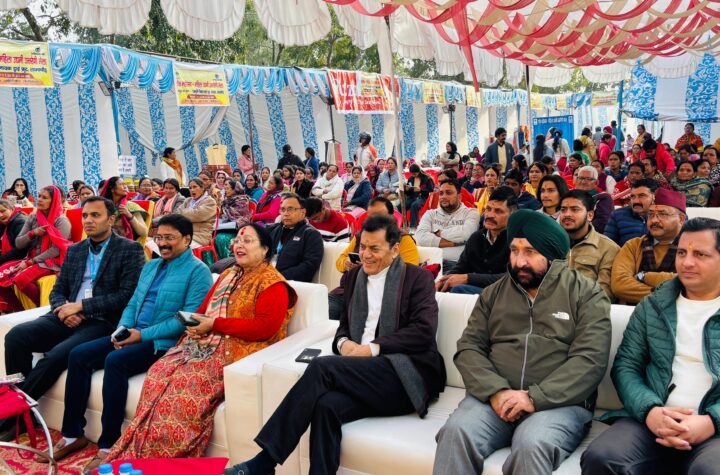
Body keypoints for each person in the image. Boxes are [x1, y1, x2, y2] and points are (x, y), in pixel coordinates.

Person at [225, 215, 445, 475]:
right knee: (326, 406)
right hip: (361, 374)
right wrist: (342, 344)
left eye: (375, 248)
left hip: (405, 375)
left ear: (395, 249)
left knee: (322, 368)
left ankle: (265, 462)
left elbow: (423, 331)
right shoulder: (353, 278)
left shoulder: (417, 278)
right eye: (362, 247)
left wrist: (371, 349)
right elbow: (343, 327)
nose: (366, 255)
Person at [434, 209, 611, 475]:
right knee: (456, 432)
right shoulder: (494, 294)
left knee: (532, 444)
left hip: (558, 404)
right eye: (514, 251)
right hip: (494, 399)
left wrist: (533, 398)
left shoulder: (586, 294)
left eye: (530, 252)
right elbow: (469, 348)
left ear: (551, 255)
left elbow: (590, 360)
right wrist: (495, 391)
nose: (519, 262)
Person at [107, 222, 298, 462]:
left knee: (184, 388)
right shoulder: (229, 274)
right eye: (237, 241)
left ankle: (169, 460)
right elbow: (202, 310)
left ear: (265, 249)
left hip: (238, 351)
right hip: (204, 343)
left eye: (247, 241)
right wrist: (194, 325)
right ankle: (139, 450)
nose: (239, 245)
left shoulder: (273, 283)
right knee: (159, 371)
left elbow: (265, 328)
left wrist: (214, 325)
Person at [46, 214, 213, 471]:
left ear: (187, 239)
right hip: (133, 332)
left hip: (162, 342)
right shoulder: (151, 265)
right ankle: (72, 434)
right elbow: (133, 302)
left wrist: (141, 336)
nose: (163, 243)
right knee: (78, 355)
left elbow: (185, 319)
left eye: (169, 238)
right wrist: (122, 330)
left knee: (115, 361)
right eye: (159, 237)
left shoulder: (198, 271)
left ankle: (108, 445)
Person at [582, 217, 720, 475]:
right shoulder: (653, 305)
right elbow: (626, 366)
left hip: (713, 429)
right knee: (603, 457)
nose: (687, 262)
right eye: (682, 252)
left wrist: (712, 421)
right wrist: (650, 411)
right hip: (653, 418)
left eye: (700, 254)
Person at [1, 197, 145, 440]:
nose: (88, 220)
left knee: (55, 356)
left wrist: (82, 307)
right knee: (16, 337)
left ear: (111, 219)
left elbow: (126, 295)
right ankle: (22, 413)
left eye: (95, 215)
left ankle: (14, 416)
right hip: (66, 315)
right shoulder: (76, 250)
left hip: (101, 321)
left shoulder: (129, 249)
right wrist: (62, 309)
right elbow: (58, 290)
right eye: (85, 215)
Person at [329, 198, 419, 320]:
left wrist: (374, 268)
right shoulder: (361, 236)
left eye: (379, 216)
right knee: (323, 310)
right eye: (370, 216)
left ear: (391, 217)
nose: (374, 220)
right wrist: (347, 264)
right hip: (348, 291)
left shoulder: (403, 239)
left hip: (382, 297)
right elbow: (340, 259)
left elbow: (409, 274)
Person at [0, 186, 71, 312]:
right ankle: (19, 310)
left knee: (21, 279)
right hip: (32, 258)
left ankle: (41, 310)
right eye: (39, 196)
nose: (40, 200)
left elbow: (56, 250)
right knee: (1, 275)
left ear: (54, 201)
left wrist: (30, 262)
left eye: (45, 198)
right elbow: (19, 243)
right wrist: (33, 233)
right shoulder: (33, 217)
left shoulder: (62, 221)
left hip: (52, 261)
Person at [611, 188, 686, 304]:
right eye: (650, 214)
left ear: (681, 219)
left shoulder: (694, 247)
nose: (654, 220)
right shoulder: (633, 245)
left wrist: (645, 276)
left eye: (662, 214)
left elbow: (693, 282)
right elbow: (619, 285)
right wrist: (665, 296)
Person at [436, 187, 516, 295]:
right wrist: (445, 280)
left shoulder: (517, 241)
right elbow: (461, 267)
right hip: (475, 290)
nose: (490, 215)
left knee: (458, 290)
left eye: (498, 211)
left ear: (512, 215)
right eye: (488, 209)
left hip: (502, 294)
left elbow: (511, 278)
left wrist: (468, 278)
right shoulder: (477, 237)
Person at [560, 190, 620, 300]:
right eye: (563, 210)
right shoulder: (551, 244)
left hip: (587, 307)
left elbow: (604, 293)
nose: (567, 214)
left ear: (590, 215)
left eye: (575, 209)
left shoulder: (608, 248)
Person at [416, 179, 480, 272]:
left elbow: (466, 234)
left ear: (459, 197)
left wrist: (439, 233)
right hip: (430, 262)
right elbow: (421, 238)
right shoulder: (430, 214)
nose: (443, 197)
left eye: (449, 193)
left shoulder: (471, 213)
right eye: (441, 193)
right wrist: (454, 243)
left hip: (456, 265)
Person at [604, 178, 657, 247]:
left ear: (654, 196)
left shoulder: (664, 217)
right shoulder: (618, 215)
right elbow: (607, 246)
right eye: (633, 196)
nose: (636, 201)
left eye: (641, 196)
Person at [99, 177, 148, 243]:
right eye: (121, 184)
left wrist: (129, 215)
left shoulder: (130, 207)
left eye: (125, 184)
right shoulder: (102, 207)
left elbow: (143, 232)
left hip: (126, 244)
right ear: (112, 189)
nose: (125, 187)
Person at [574, 166, 614, 234]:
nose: (583, 182)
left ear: (596, 183)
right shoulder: (570, 197)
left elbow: (602, 223)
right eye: (581, 178)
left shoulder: (603, 198)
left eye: (588, 179)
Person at [0, 199, 28, 267]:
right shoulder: (4, 222)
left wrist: (1, 259)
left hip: (22, 259)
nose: (0, 215)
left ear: (11, 209)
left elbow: (21, 251)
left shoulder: (20, 222)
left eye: (3, 211)